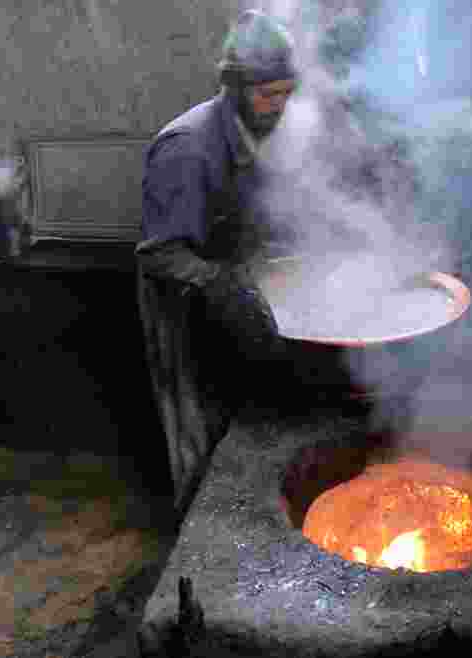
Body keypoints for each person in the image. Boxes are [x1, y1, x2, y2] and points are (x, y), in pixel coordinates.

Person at [135, 10, 298, 513]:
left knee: (240, 408)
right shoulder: (189, 149)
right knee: (195, 419)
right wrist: (218, 283)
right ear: (232, 87)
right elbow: (159, 253)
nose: (278, 106)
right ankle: (197, 525)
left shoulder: (261, 126)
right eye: (266, 95)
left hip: (229, 280)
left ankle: (247, 500)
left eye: (286, 92)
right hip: (182, 297)